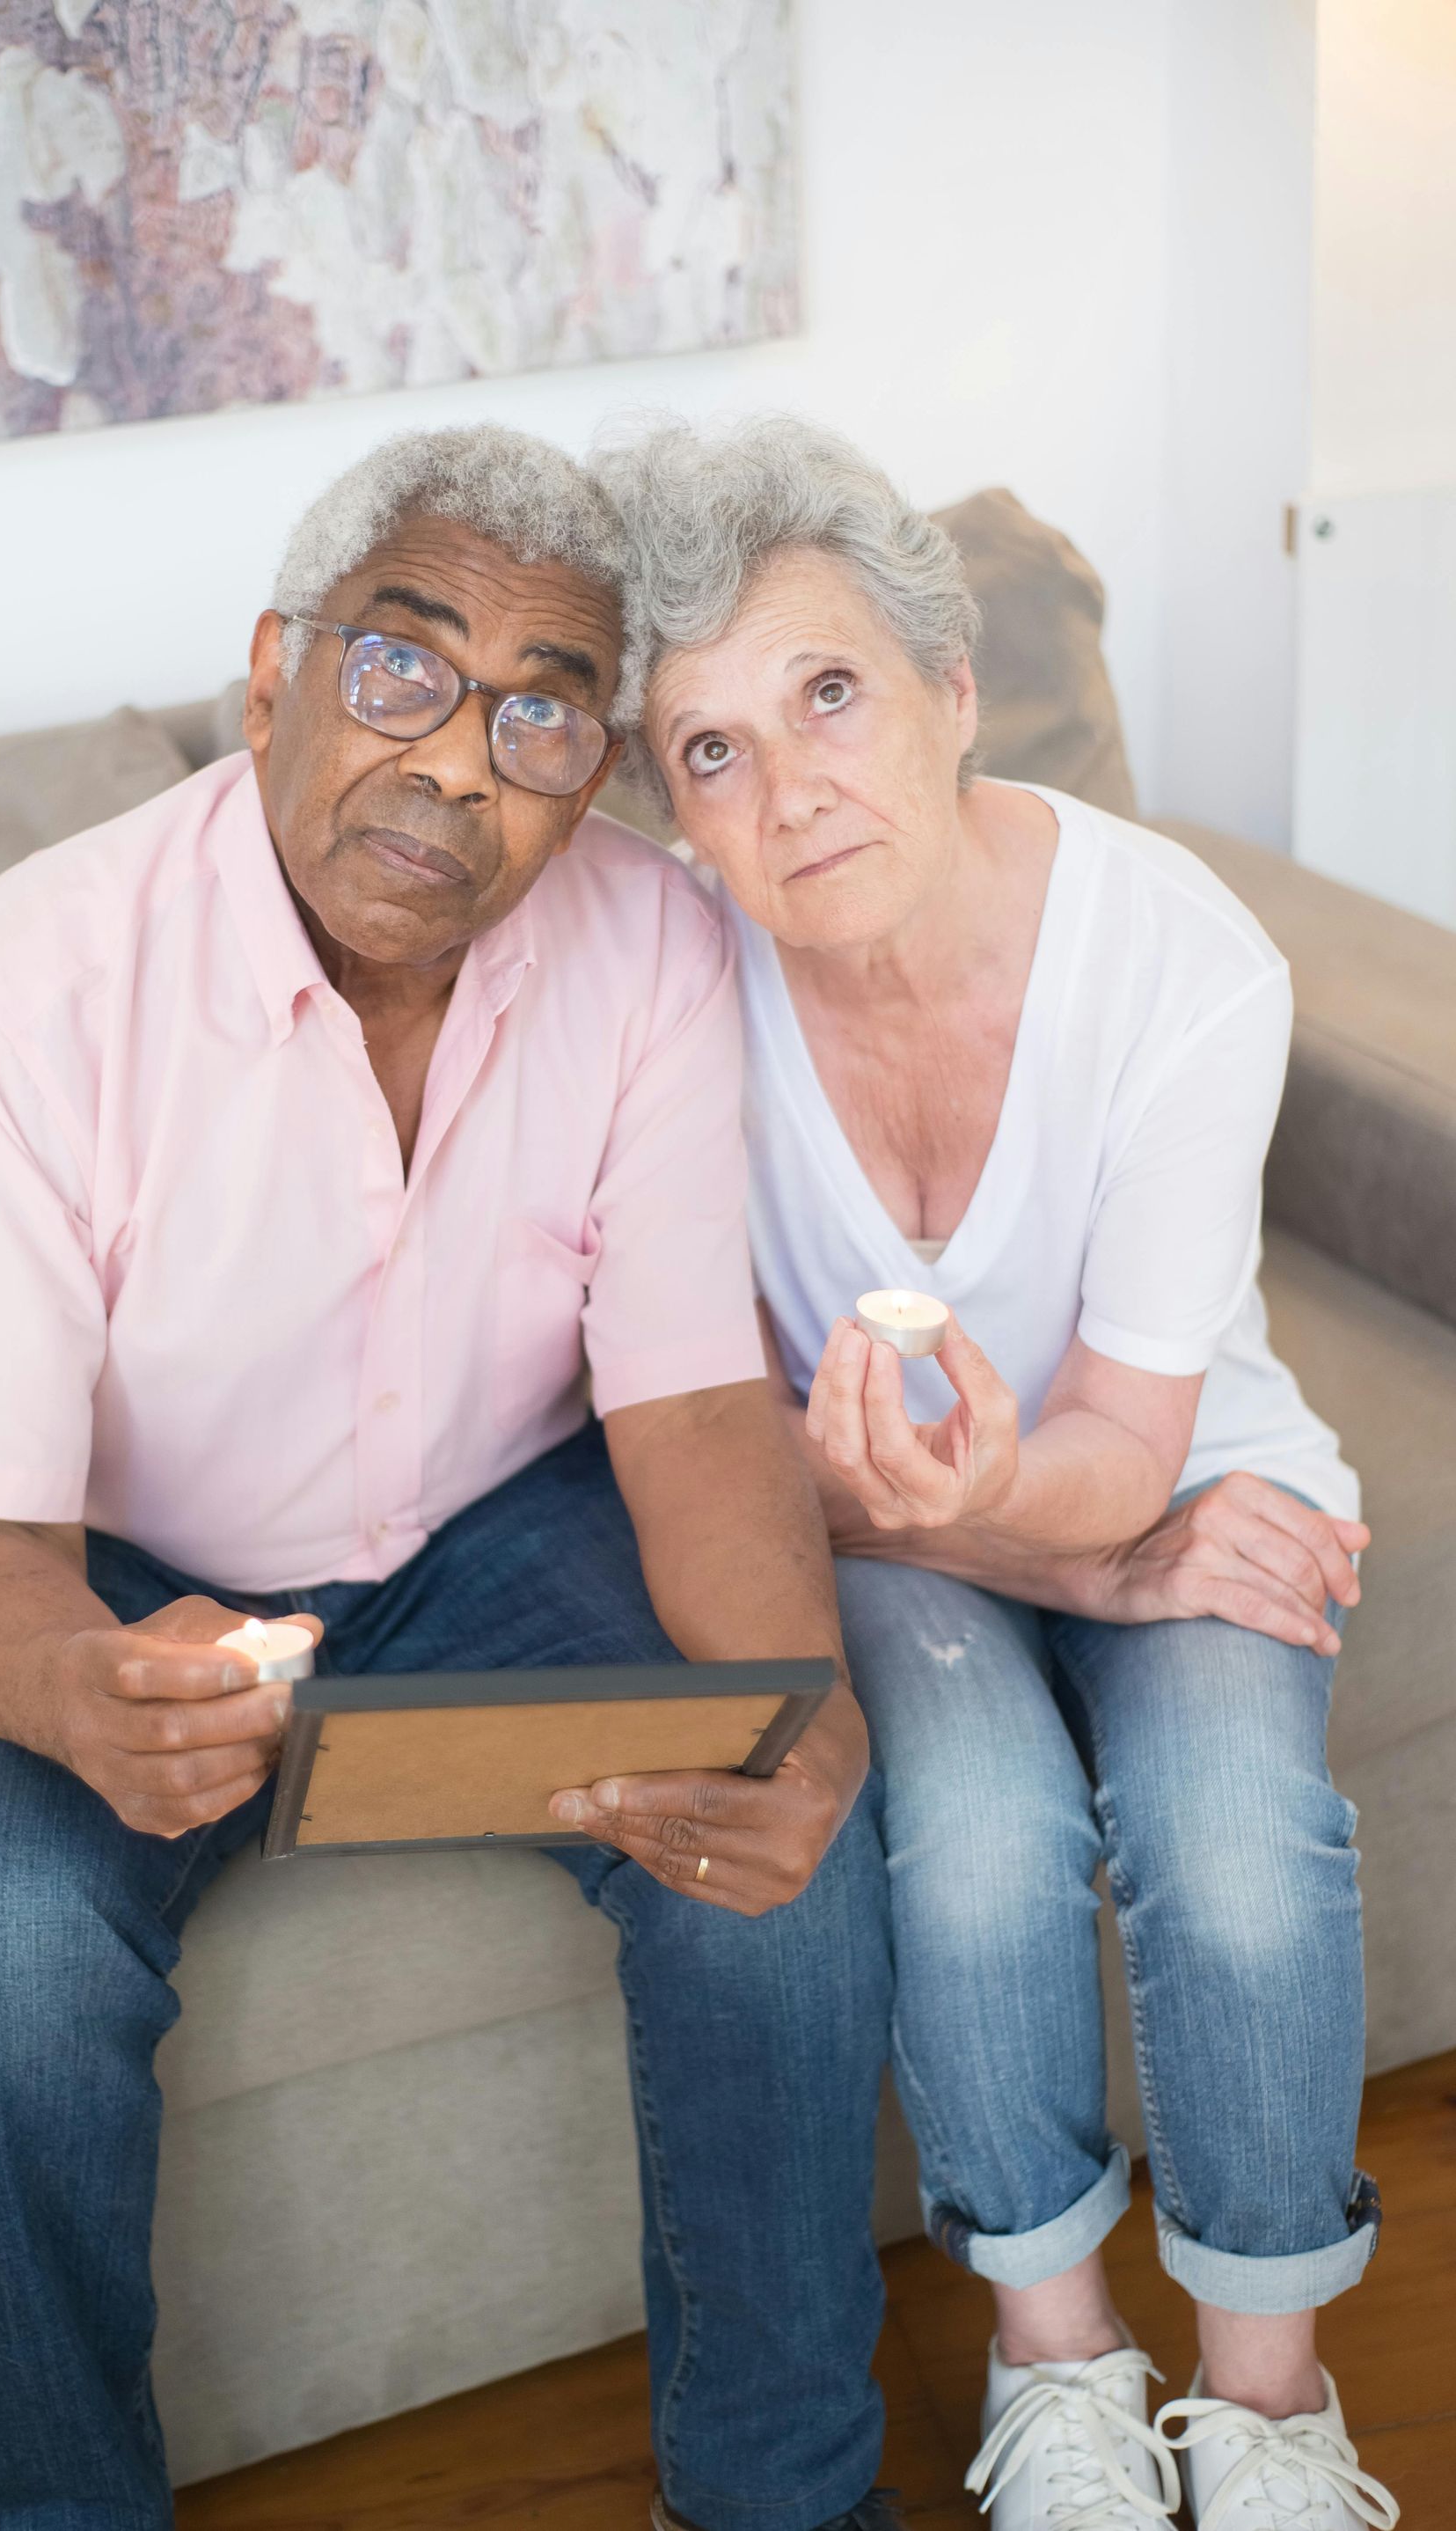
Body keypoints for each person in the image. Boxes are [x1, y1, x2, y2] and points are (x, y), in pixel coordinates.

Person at [0, 426, 904, 2531]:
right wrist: (80, 1687)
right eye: (403, 673)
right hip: (113, 1557)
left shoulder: (651, 948)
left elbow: (683, 1407)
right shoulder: (34, 987)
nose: (463, 768)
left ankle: (781, 2501)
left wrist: (797, 1710)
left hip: (504, 1515)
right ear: (272, 673)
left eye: (545, 718)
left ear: (595, 777)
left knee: (785, 1846)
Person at [596, 414, 1401, 2531]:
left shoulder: (1183, 964)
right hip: (890, 1514)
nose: (787, 790)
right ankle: (1058, 2368)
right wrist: (1033, 1555)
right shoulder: (670, 990)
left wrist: (1062, 1533)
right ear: (675, 812)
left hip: (1175, 1469)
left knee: (1233, 1843)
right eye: (710, 750)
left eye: (830, 692)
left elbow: (1134, 1446)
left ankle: (1268, 2401)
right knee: (969, 1836)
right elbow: (694, 1433)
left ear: (956, 690)